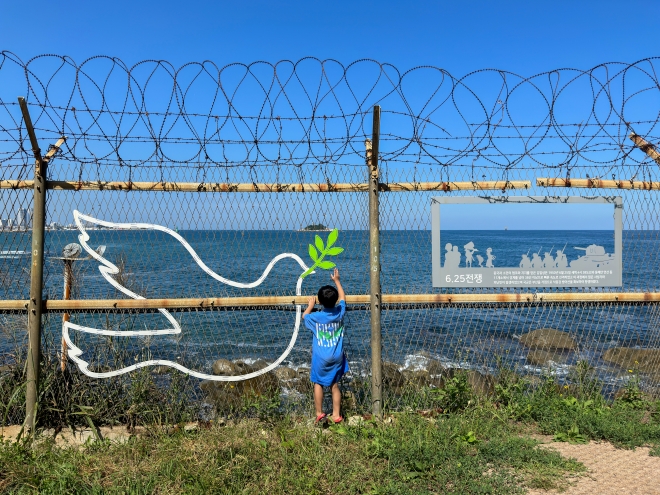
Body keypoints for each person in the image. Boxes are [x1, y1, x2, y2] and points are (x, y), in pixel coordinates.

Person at [303, 268, 348, 424]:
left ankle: (319, 413)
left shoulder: (315, 317)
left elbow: (305, 316)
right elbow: (342, 297)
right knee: (334, 385)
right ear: (335, 301)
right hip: (336, 356)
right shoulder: (340, 313)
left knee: (318, 383)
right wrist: (336, 280)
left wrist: (310, 305)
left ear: (319, 302)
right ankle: (336, 415)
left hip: (320, 357)